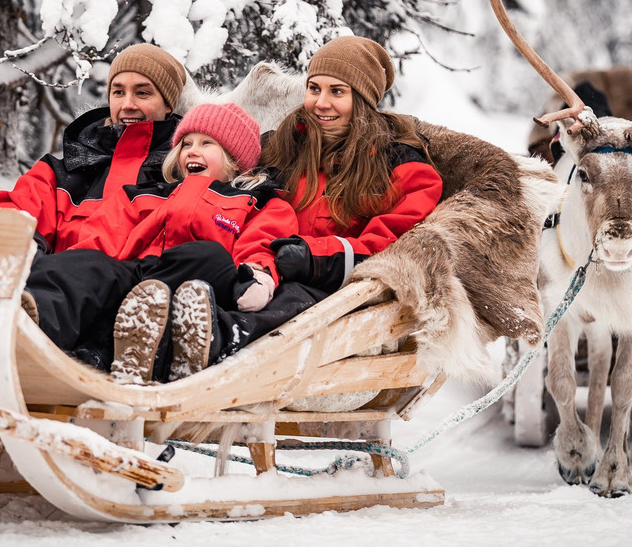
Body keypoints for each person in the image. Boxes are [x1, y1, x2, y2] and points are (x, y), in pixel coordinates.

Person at [145, 35, 445, 381]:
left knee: (293, 299)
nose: (321, 102)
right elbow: (241, 191)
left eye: (337, 92)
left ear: (362, 98)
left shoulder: (400, 165)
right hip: (262, 264)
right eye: (314, 88)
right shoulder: (283, 147)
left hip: (334, 284)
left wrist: (314, 256)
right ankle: (161, 333)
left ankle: (214, 339)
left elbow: (398, 242)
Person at [23, 102, 298, 378]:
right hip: (136, 278)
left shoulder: (259, 203)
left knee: (208, 255)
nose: (192, 150)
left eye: (206, 143)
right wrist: (81, 269)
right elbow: (101, 238)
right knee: (88, 264)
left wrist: (258, 277)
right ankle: (33, 321)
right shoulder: (144, 194)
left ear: (235, 160)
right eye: (186, 143)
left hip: (197, 285)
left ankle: (115, 343)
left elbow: (264, 241)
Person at [0, 43, 187, 255]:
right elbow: (12, 215)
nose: (127, 104)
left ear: (168, 104)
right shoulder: (61, 174)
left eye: (142, 93)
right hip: (57, 284)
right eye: (118, 92)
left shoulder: (185, 171)